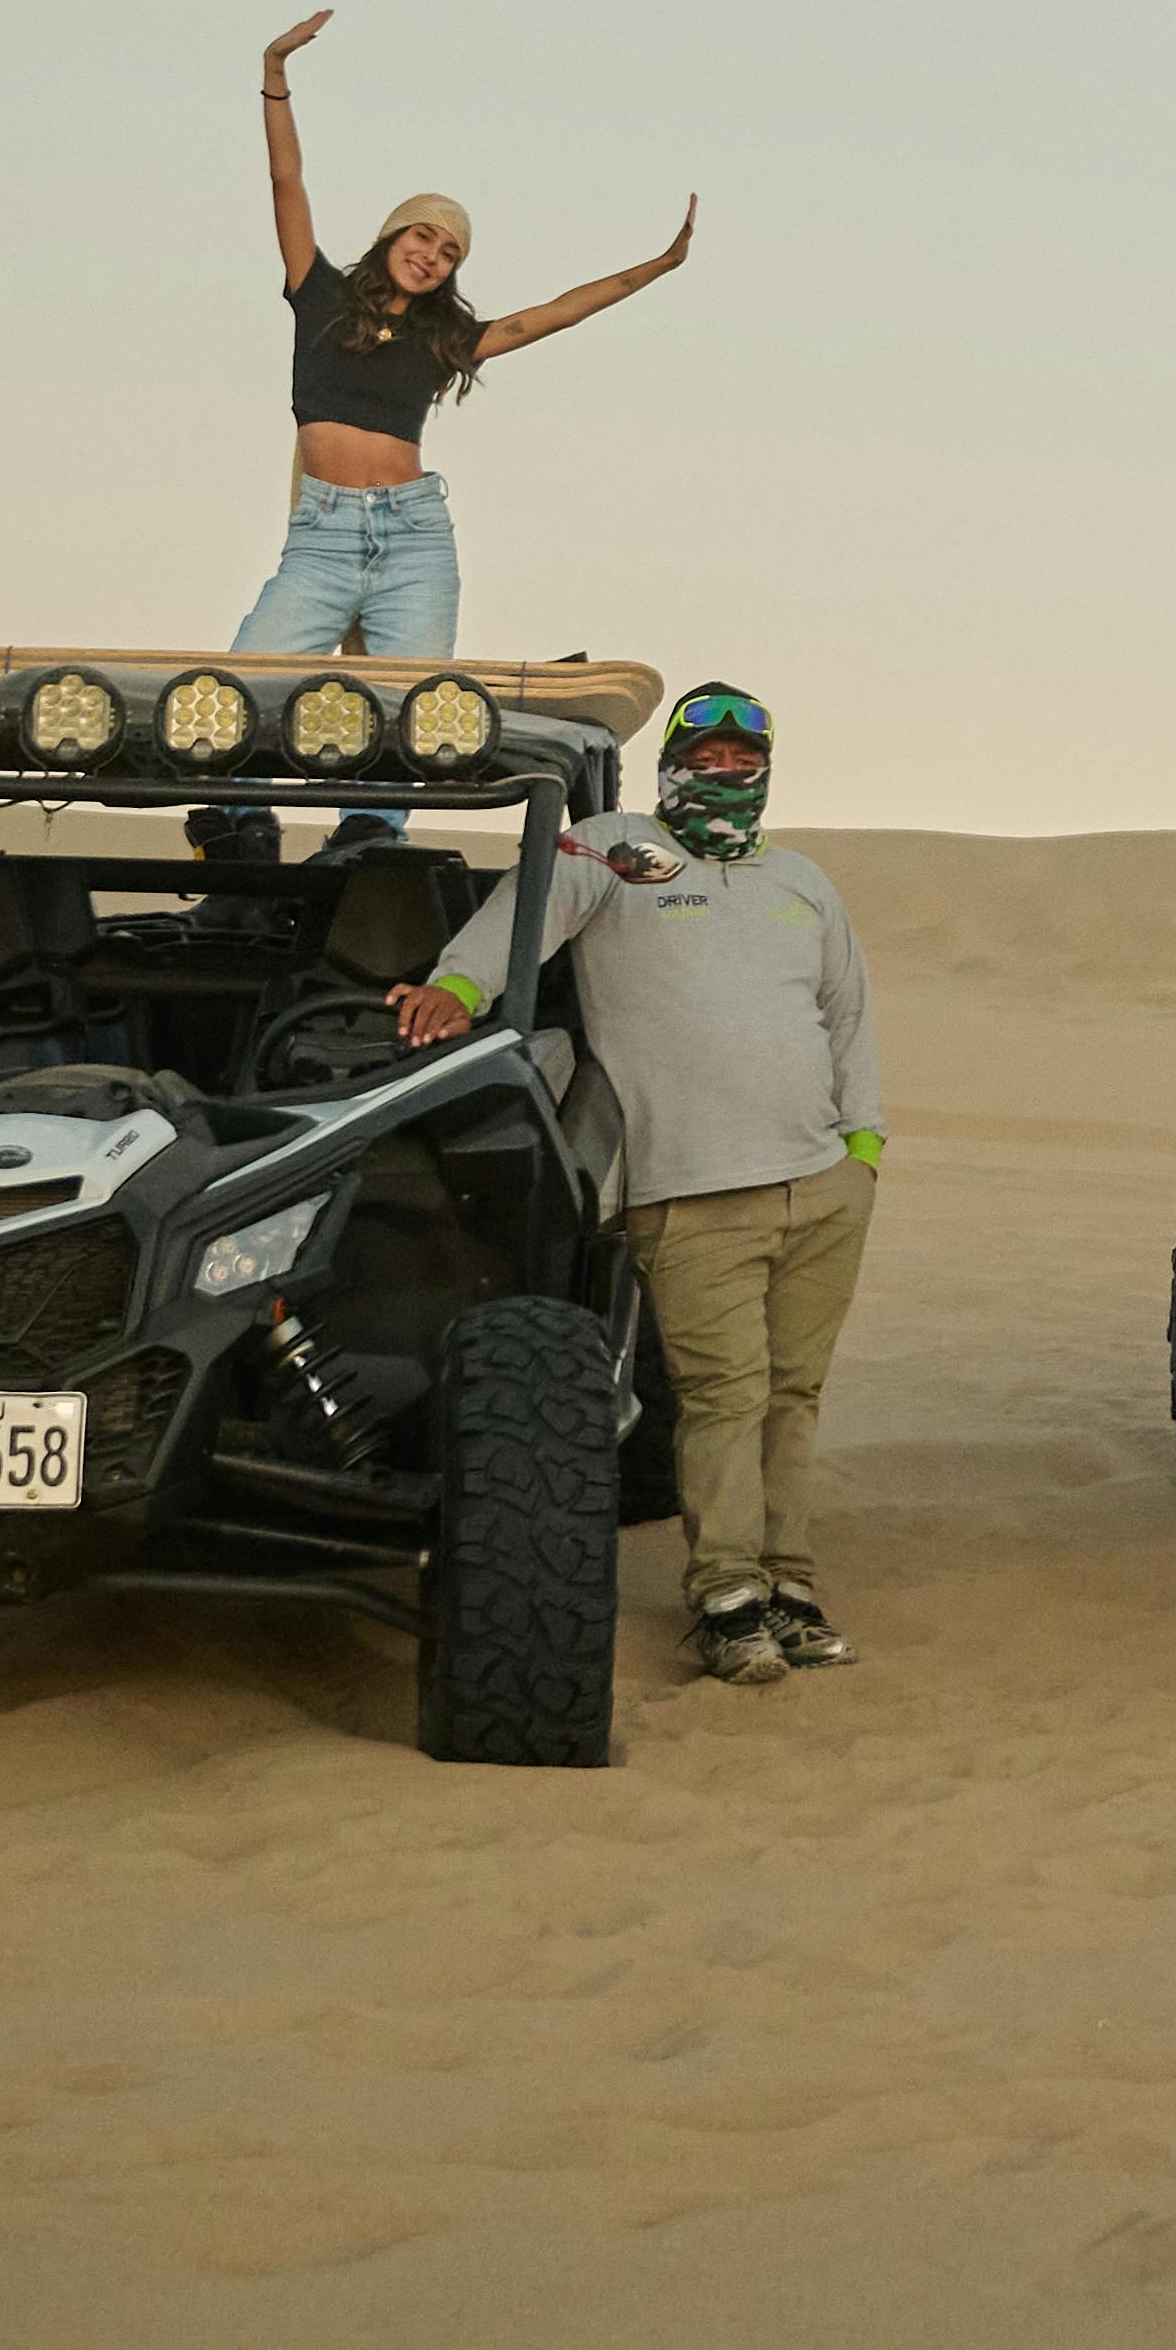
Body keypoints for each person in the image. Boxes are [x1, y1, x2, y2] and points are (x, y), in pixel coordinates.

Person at [389, 681, 880, 1691]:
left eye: (746, 762)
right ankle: (727, 1601)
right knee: (725, 1398)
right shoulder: (616, 850)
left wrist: (863, 1147)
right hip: (691, 1193)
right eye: (710, 760)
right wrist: (459, 984)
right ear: (675, 766)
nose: (728, 776)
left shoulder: (803, 883)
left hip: (822, 1185)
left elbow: (848, 1017)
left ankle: (791, 1590)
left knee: (795, 1393)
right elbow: (517, 922)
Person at [234, 7, 697, 670]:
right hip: (322, 540)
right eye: (423, 236)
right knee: (244, 685)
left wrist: (660, 264)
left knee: (409, 720)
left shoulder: (445, 339)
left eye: (449, 252)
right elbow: (287, 181)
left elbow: (559, 312)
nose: (430, 255)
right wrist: (274, 72)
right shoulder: (320, 293)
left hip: (413, 539)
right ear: (395, 235)